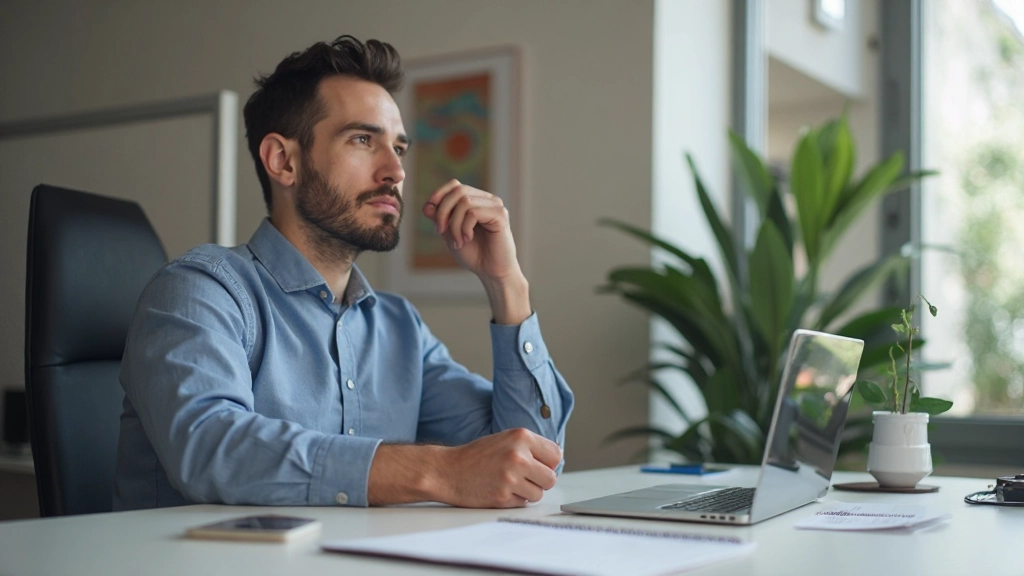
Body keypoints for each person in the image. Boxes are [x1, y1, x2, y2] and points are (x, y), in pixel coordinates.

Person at [113, 35, 573, 511]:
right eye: (362, 140)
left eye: (399, 148)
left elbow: (532, 463)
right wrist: (438, 471)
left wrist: (506, 284)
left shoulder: (400, 329)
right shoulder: (199, 291)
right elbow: (210, 447)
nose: (395, 171)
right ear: (283, 161)